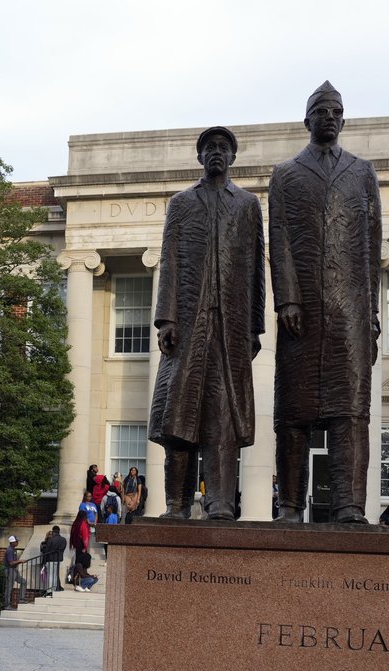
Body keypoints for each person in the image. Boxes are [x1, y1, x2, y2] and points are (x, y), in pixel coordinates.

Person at [270, 81, 382, 524]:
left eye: (337, 111)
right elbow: (279, 238)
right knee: (292, 413)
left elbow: (371, 246)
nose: (330, 117)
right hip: (302, 312)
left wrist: (372, 314)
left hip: (349, 311)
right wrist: (286, 300)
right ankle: (289, 504)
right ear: (307, 120)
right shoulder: (286, 173)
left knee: (350, 412)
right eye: (322, 111)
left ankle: (349, 504)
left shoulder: (363, 172)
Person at [149, 125, 265, 520]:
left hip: (230, 327)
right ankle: (177, 503)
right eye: (209, 147)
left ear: (233, 156)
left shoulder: (247, 204)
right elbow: (169, 260)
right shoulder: (182, 203)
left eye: (223, 147)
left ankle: (220, 501)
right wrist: (166, 319)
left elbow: (256, 268)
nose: (216, 152)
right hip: (188, 325)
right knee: (178, 413)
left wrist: (255, 326)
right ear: (200, 156)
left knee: (222, 415)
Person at [43, 525, 67, 593]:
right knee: (55, 575)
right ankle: (54, 589)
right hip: (59, 559)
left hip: (50, 559)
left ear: (53, 531)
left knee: (50, 575)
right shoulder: (64, 540)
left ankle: (49, 590)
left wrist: (44, 562)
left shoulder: (51, 539)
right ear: (59, 531)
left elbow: (46, 551)